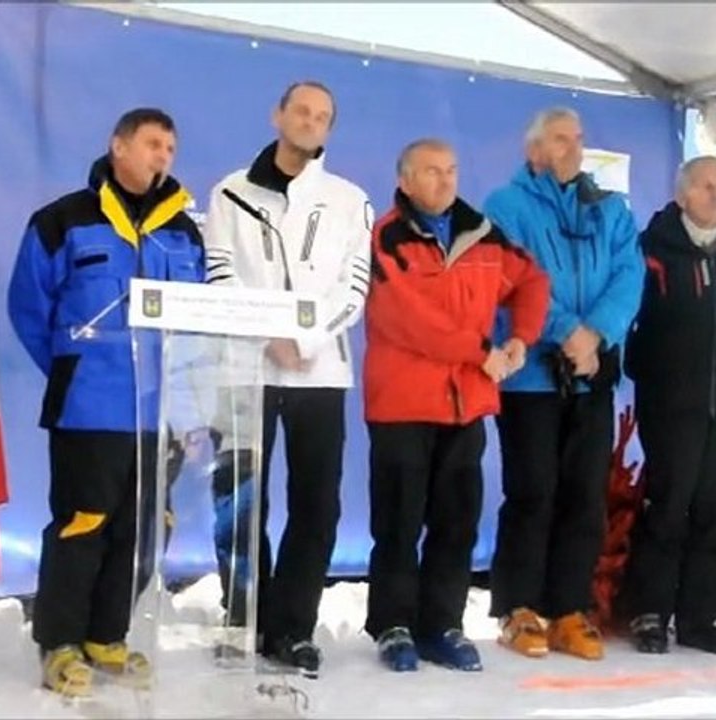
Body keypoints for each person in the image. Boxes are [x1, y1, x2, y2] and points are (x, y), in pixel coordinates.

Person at [7, 108, 204, 697]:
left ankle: (106, 635)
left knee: (141, 529)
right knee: (82, 525)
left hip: (160, 410)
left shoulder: (185, 230)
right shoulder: (63, 220)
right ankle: (60, 642)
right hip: (90, 408)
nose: (162, 156)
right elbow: (28, 307)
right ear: (118, 146)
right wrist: (74, 368)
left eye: (170, 146)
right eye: (151, 144)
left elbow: (200, 318)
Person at [202, 80, 373, 677]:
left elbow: (355, 285)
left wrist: (305, 339)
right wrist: (264, 334)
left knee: (316, 505)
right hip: (243, 367)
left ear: (330, 128)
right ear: (279, 114)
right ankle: (245, 616)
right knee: (239, 502)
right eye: (301, 110)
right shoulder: (229, 191)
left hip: (320, 373)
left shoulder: (351, 200)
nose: (310, 121)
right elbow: (218, 270)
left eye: (323, 115)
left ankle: (294, 627)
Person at [363, 139, 549, 672]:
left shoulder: (485, 235)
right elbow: (407, 316)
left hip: (466, 406)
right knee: (398, 522)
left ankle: (441, 623)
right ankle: (393, 625)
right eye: (430, 172)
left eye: (450, 170)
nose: (444, 181)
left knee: (457, 522)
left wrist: (521, 340)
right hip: (402, 402)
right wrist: (481, 352)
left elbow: (533, 280)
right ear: (405, 180)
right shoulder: (387, 235)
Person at [484, 107, 644, 660]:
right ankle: (519, 607)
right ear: (534, 150)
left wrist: (596, 334)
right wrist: (566, 330)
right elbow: (512, 280)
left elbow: (630, 274)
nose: (573, 148)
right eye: (560, 139)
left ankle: (570, 608)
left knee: (583, 498)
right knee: (533, 493)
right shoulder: (506, 206)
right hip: (531, 377)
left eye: (578, 138)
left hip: (591, 374)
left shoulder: (611, 210)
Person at [622, 155, 716, 654]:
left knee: (710, 512)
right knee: (667, 507)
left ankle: (700, 617)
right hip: (673, 405)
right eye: (707, 186)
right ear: (683, 195)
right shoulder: (653, 250)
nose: (715, 195)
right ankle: (648, 611)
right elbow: (633, 325)